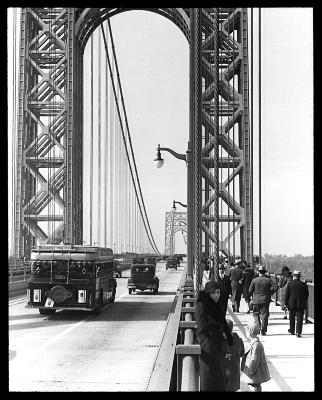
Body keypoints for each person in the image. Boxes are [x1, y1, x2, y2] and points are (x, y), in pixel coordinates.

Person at [195, 280, 233, 391]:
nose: (216, 295)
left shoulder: (216, 304)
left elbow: (222, 321)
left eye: (218, 292)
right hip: (207, 345)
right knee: (209, 375)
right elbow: (202, 327)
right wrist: (219, 332)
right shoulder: (201, 305)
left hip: (217, 344)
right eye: (213, 293)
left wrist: (229, 337)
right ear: (207, 293)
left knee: (219, 375)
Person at [248, 265, 278, 335]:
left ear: (258, 272)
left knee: (256, 314)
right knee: (265, 315)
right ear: (265, 272)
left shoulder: (254, 280)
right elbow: (276, 286)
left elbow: (250, 290)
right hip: (265, 299)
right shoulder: (268, 280)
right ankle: (263, 330)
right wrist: (270, 292)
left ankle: (258, 327)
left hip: (256, 300)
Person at [241, 322, 271, 391]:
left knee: (255, 386)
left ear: (250, 333)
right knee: (254, 385)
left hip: (256, 371)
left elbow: (255, 359)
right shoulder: (254, 343)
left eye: (246, 332)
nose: (246, 333)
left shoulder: (256, 345)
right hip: (255, 371)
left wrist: (251, 370)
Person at [284, 270, 309, 337]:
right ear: (299, 277)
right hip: (301, 304)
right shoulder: (304, 285)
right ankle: (298, 332)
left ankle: (292, 330)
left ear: (294, 276)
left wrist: (285, 303)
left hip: (291, 303)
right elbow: (306, 295)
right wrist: (303, 301)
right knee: (300, 318)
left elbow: (287, 295)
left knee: (291, 317)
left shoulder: (290, 284)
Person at [224, 319, 244, 392]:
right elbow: (242, 353)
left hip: (223, 375)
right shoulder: (238, 340)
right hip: (234, 373)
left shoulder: (220, 342)